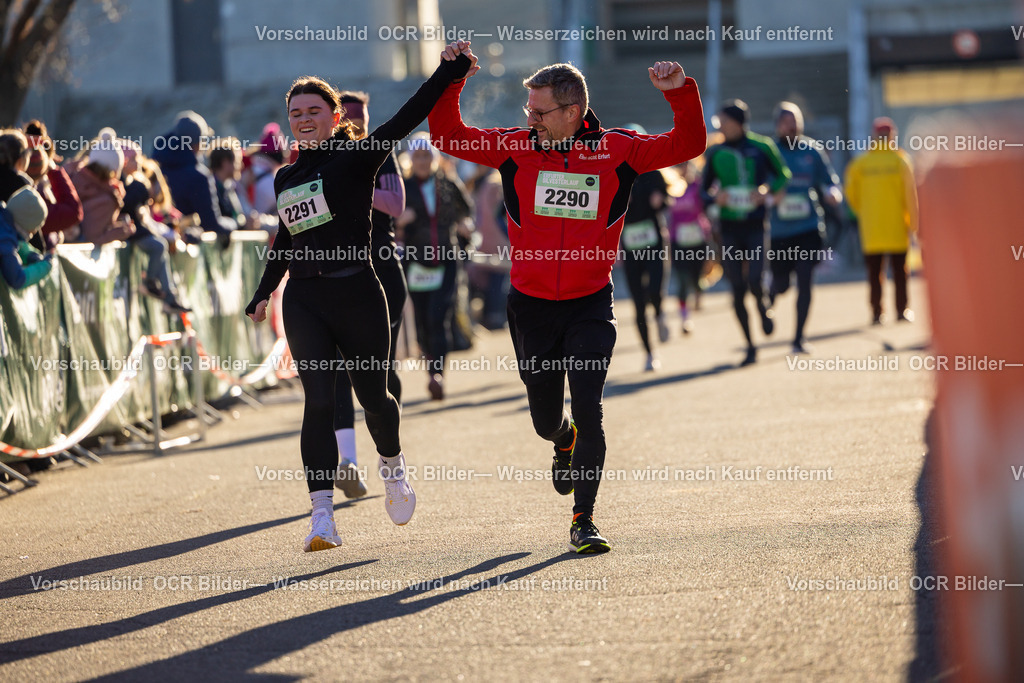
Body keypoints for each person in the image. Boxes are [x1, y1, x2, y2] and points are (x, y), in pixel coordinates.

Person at [429, 43, 706, 553]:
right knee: (544, 419)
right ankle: (562, 442)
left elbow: (687, 145)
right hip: (530, 303)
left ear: (572, 110)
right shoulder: (516, 145)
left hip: (589, 303)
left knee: (590, 409)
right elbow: (447, 135)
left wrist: (680, 95)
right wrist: (452, 79)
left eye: (538, 110)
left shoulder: (618, 149)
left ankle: (584, 519)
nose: (528, 117)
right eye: (526, 109)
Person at [245, 47, 472, 552]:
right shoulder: (286, 177)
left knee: (375, 398)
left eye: (313, 111)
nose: (304, 120)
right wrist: (263, 294)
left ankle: (392, 467)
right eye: (296, 114)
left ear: (334, 116)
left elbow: (410, 113)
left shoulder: (359, 156)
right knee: (319, 402)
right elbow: (286, 239)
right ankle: (321, 517)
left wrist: (449, 72)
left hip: (359, 292)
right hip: (304, 298)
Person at [331, 90, 409, 499]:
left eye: (364, 117)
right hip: (337, 272)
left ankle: (388, 446)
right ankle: (347, 460)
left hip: (382, 270)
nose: (358, 126)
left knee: (379, 368)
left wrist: (351, 186)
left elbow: (396, 205)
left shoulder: (380, 153)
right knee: (339, 370)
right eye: (351, 118)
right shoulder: (321, 157)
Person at [701, 99, 791, 366]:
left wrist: (765, 192)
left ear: (738, 122)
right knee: (737, 288)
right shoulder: (715, 152)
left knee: (754, 278)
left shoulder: (762, 146)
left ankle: (763, 306)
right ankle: (750, 346)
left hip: (755, 224)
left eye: (724, 123)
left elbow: (783, 175)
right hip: (728, 229)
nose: (720, 128)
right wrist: (717, 199)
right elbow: (703, 192)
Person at [396, 133, 474, 400]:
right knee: (421, 320)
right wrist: (399, 221)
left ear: (434, 157)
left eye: (427, 155)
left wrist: (466, 225)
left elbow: (467, 210)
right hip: (417, 263)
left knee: (438, 317)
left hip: (447, 261)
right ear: (410, 159)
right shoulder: (403, 188)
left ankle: (436, 374)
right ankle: (431, 367)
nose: (422, 160)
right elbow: (386, 221)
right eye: (417, 156)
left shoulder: (448, 184)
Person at [768, 102, 843, 353]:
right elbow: (758, 183)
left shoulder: (812, 150)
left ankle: (799, 337)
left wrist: (833, 192)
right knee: (782, 285)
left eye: (796, 121)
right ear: (778, 125)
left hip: (809, 227)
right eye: (787, 121)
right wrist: (767, 195)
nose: (793, 126)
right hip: (779, 231)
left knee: (805, 280)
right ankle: (771, 290)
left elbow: (829, 180)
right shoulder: (770, 152)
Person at [844, 117, 918, 325]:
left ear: (874, 136)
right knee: (900, 272)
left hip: (872, 227)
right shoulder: (901, 162)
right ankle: (901, 310)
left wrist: (864, 212)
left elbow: (851, 194)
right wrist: (914, 225)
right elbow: (911, 197)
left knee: (874, 273)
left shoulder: (860, 164)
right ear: (893, 136)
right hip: (896, 226)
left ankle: (877, 313)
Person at [618, 123, 670, 371]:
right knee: (638, 301)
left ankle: (660, 313)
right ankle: (650, 353)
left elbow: (668, 195)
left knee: (656, 291)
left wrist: (661, 200)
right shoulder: (615, 172)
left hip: (654, 242)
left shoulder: (652, 171)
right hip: (629, 246)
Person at [120, 139, 191, 313]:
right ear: (125, 161)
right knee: (159, 246)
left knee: (161, 247)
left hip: (134, 229)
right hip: (127, 230)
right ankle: (151, 283)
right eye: (135, 159)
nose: (139, 163)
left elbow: (142, 216)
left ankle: (169, 297)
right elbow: (127, 207)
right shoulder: (126, 183)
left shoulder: (133, 182)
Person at [151, 111, 237, 240]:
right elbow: (211, 224)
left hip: (161, 239)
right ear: (197, 144)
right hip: (186, 248)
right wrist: (234, 224)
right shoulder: (200, 177)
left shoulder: (155, 167)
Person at [22, 120, 83, 249]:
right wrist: (54, 171)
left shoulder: (10, 194)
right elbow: (73, 212)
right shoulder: (36, 202)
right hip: (38, 262)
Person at [667, 160, 711, 334]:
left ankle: (699, 290)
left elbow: (708, 203)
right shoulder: (671, 187)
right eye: (679, 166)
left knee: (696, 277)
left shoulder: (698, 187)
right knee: (683, 280)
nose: (683, 169)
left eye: (686, 165)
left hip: (698, 240)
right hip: (678, 241)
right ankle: (685, 318)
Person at [67, 136, 135, 245]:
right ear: (115, 169)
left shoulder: (74, 179)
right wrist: (122, 231)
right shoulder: (107, 199)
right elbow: (93, 237)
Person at [0, 185, 52, 289]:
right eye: (36, 226)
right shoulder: (5, 238)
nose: (35, 231)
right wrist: (43, 267)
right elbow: (16, 279)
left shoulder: (4, 222)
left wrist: (26, 253)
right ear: (26, 222)